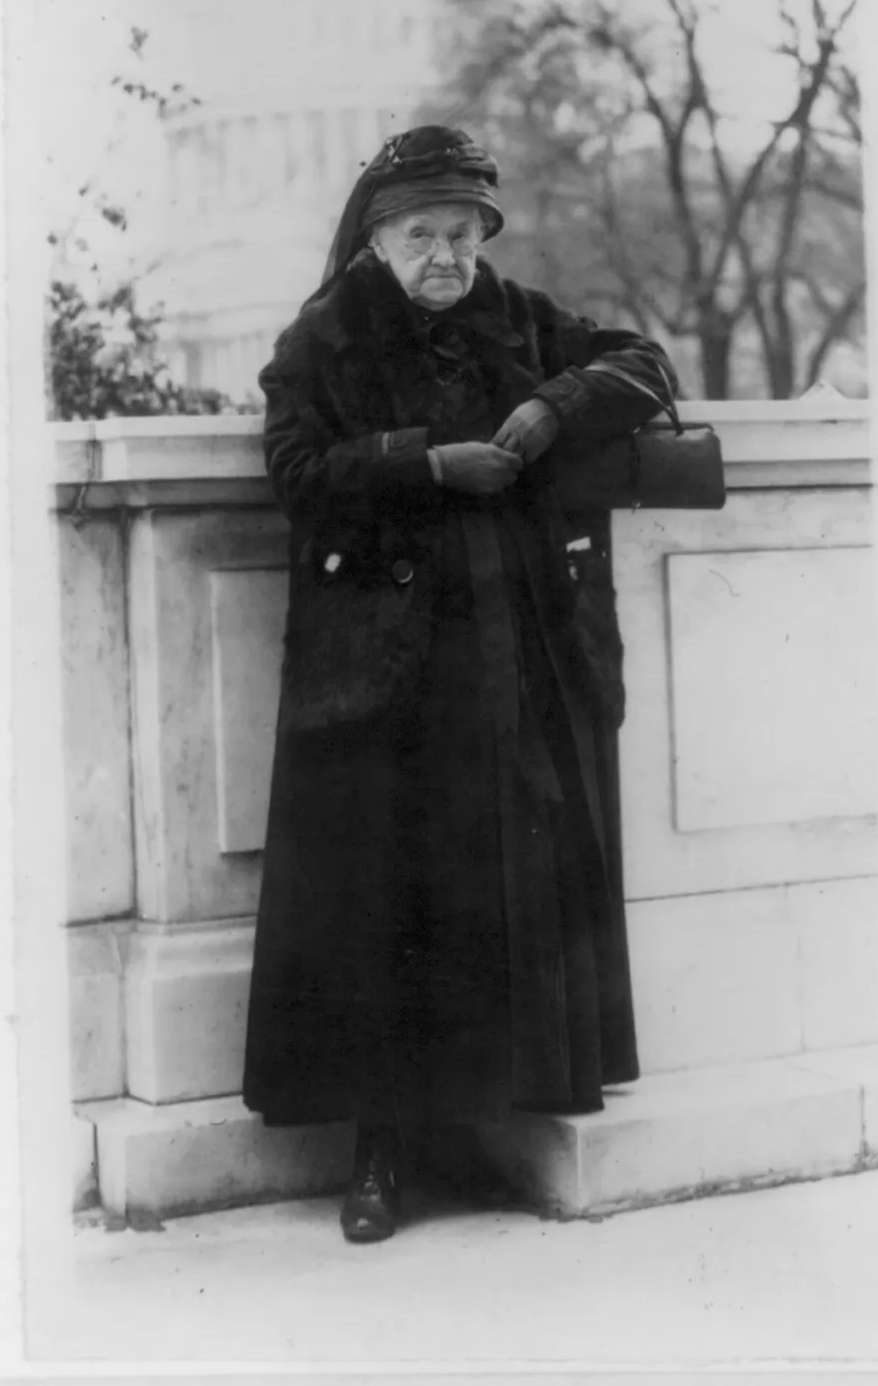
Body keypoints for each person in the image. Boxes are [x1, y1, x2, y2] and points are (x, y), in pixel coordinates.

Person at [242, 125, 678, 1243]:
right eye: (419, 235)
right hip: (382, 664)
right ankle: (379, 1156)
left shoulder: (522, 318)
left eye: (459, 234)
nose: (443, 255)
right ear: (378, 240)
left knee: (503, 876)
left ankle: (486, 1127)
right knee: (381, 894)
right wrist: (425, 464)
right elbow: (294, 474)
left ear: (483, 237)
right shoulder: (324, 337)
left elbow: (643, 363)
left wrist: (546, 409)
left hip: (512, 650)